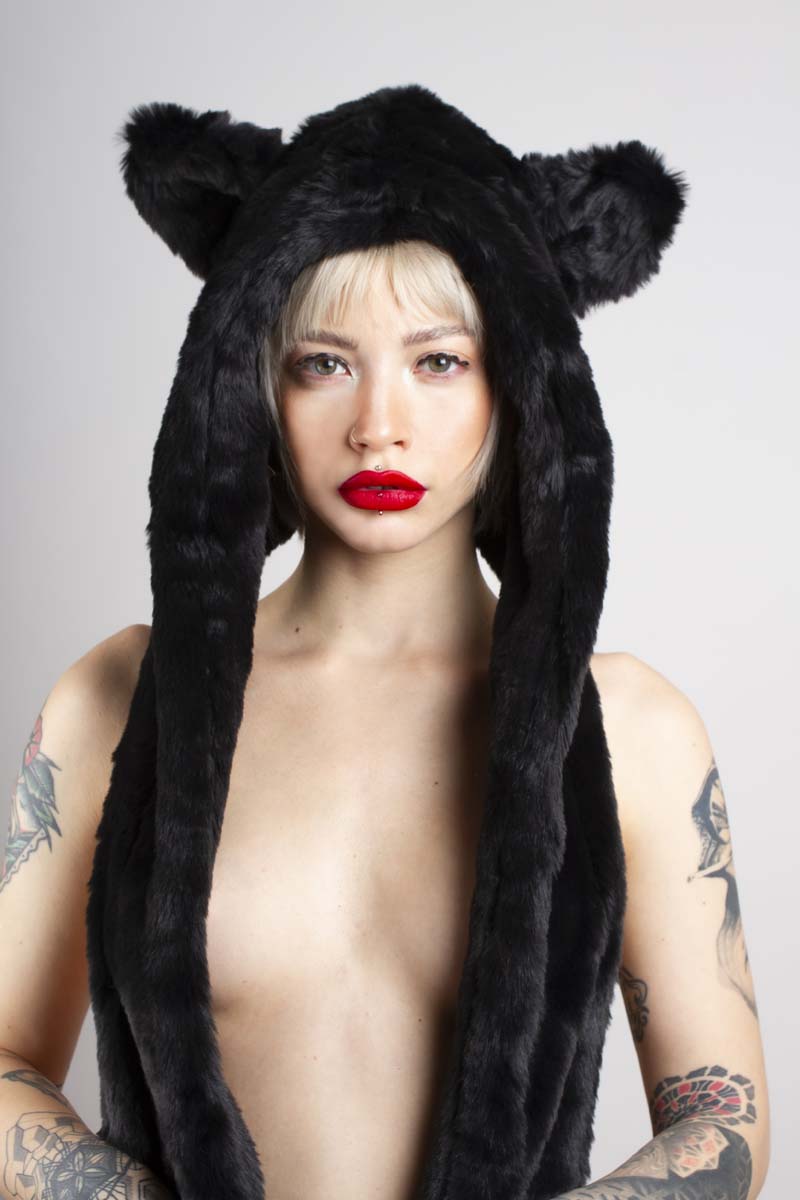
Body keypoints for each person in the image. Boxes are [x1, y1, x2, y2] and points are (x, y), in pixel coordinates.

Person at [0, 86, 770, 1200]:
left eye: (438, 361)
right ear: (254, 382)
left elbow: (720, 1115)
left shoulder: (632, 729)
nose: (377, 425)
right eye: (323, 362)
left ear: (516, 382)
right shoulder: (116, 700)